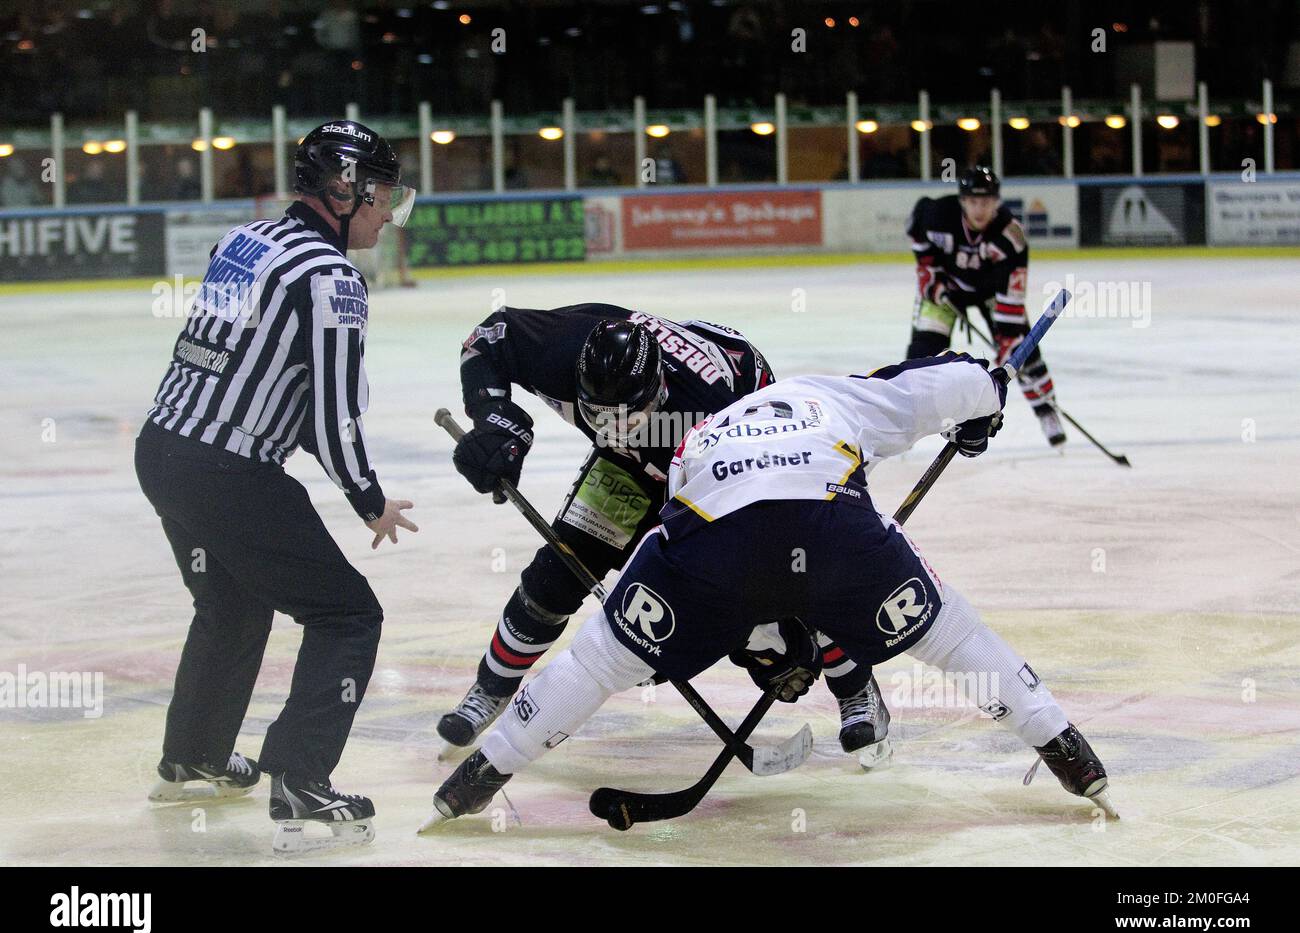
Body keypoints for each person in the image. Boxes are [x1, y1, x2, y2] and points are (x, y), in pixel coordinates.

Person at [424, 352, 1113, 826]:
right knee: (955, 636)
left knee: (597, 660)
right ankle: (1067, 752)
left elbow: (725, 558)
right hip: (834, 528)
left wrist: (765, 638)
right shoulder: (834, 394)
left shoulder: (700, 436)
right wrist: (984, 409)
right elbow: (957, 382)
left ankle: (478, 777)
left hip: (710, 538)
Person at [440, 305, 893, 767]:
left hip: (734, 459)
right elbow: (489, 336)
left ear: (658, 391)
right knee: (558, 573)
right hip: (636, 463)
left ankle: (855, 684)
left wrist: (758, 635)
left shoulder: (711, 410)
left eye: (629, 418)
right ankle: (490, 689)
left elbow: (727, 557)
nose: (614, 428)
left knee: (789, 574)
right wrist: (495, 420)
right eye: (600, 416)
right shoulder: (561, 347)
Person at [135, 120, 418, 854]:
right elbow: (331, 416)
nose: (390, 212)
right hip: (229, 469)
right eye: (384, 194)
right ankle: (300, 781)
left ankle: (192, 757)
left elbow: (211, 351)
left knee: (230, 603)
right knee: (348, 616)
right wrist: (368, 498)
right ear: (345, 190)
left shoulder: (246, 239)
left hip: (164, 449)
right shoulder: (333, 280)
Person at [905, 165, 1066, 447]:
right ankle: (908, 417)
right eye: (973, 202)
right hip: (948, 289)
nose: (980, 209)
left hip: (991, 293)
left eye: (987, 202)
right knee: (921, 355)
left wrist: (1007, 336)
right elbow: (916, 232)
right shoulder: (938, 215)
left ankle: (1047, 411)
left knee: (1024, 353)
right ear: (963, 201)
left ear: (997, 202)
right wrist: (930, 277)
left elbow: (1011, 294)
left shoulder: (1011, 236)